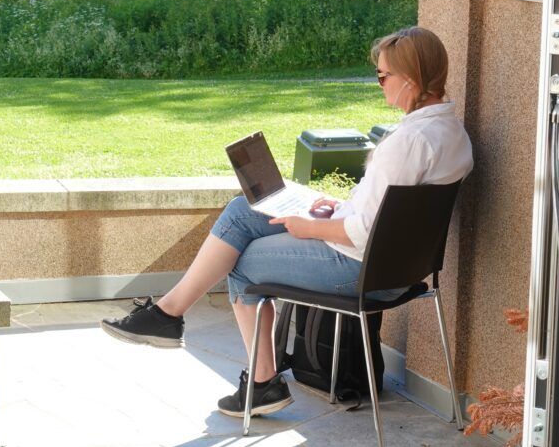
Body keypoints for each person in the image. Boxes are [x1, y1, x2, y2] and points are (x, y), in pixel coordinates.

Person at [101, 26, 474, 418]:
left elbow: (363, 232)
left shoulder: (407, 142)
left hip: (364, 269)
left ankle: (257, 379)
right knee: (243, 210)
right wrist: (337, 206)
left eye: (383, 76)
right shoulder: (451, 132)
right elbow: (385, 212)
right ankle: (169, 315)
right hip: (398, 264)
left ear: (411, 80)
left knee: (240, 262)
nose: (378, 84)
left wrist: (308, 226)